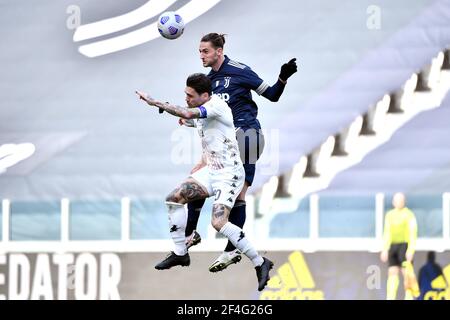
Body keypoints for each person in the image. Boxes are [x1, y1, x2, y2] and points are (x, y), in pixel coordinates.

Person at [135, 73, 273, 291]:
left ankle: (260, 262)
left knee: (218, 223)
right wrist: (184, 119)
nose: (186, 98)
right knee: (174, 198)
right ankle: (181, 253)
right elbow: (194, 117)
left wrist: (155, 102)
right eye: (185, 94)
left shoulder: (217, 105)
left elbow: (191, 112)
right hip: (212, 170)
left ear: (205, 95)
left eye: (190, 95)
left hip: (229, 174)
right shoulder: (204, 110)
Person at [182, 33, 298, 273]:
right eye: (199, 51)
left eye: (205, 51)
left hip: (247, 136)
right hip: (225, 144)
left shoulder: (240, 71)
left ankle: (226, 247)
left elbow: (273, 95)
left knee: (237, 193)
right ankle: (204, 239)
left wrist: (282, 78)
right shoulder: (208, 82)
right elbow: (208, 120)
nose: (201, 55)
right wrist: (187, 118)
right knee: (200, 181)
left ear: (219, 51)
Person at [380, 192, 418, 300]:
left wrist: (411, 249)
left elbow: (413, 232)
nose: (398, 202)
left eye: (401, 200)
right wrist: (385, 249)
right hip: (393, 246)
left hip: (404, 245)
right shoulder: (389, 215)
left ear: (404, 201)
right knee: (392, 271)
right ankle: (390, 297)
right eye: (396, 200)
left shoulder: (409, 214)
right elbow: (387, 232)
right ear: (393, 202)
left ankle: (409, 297)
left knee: (406, 272)